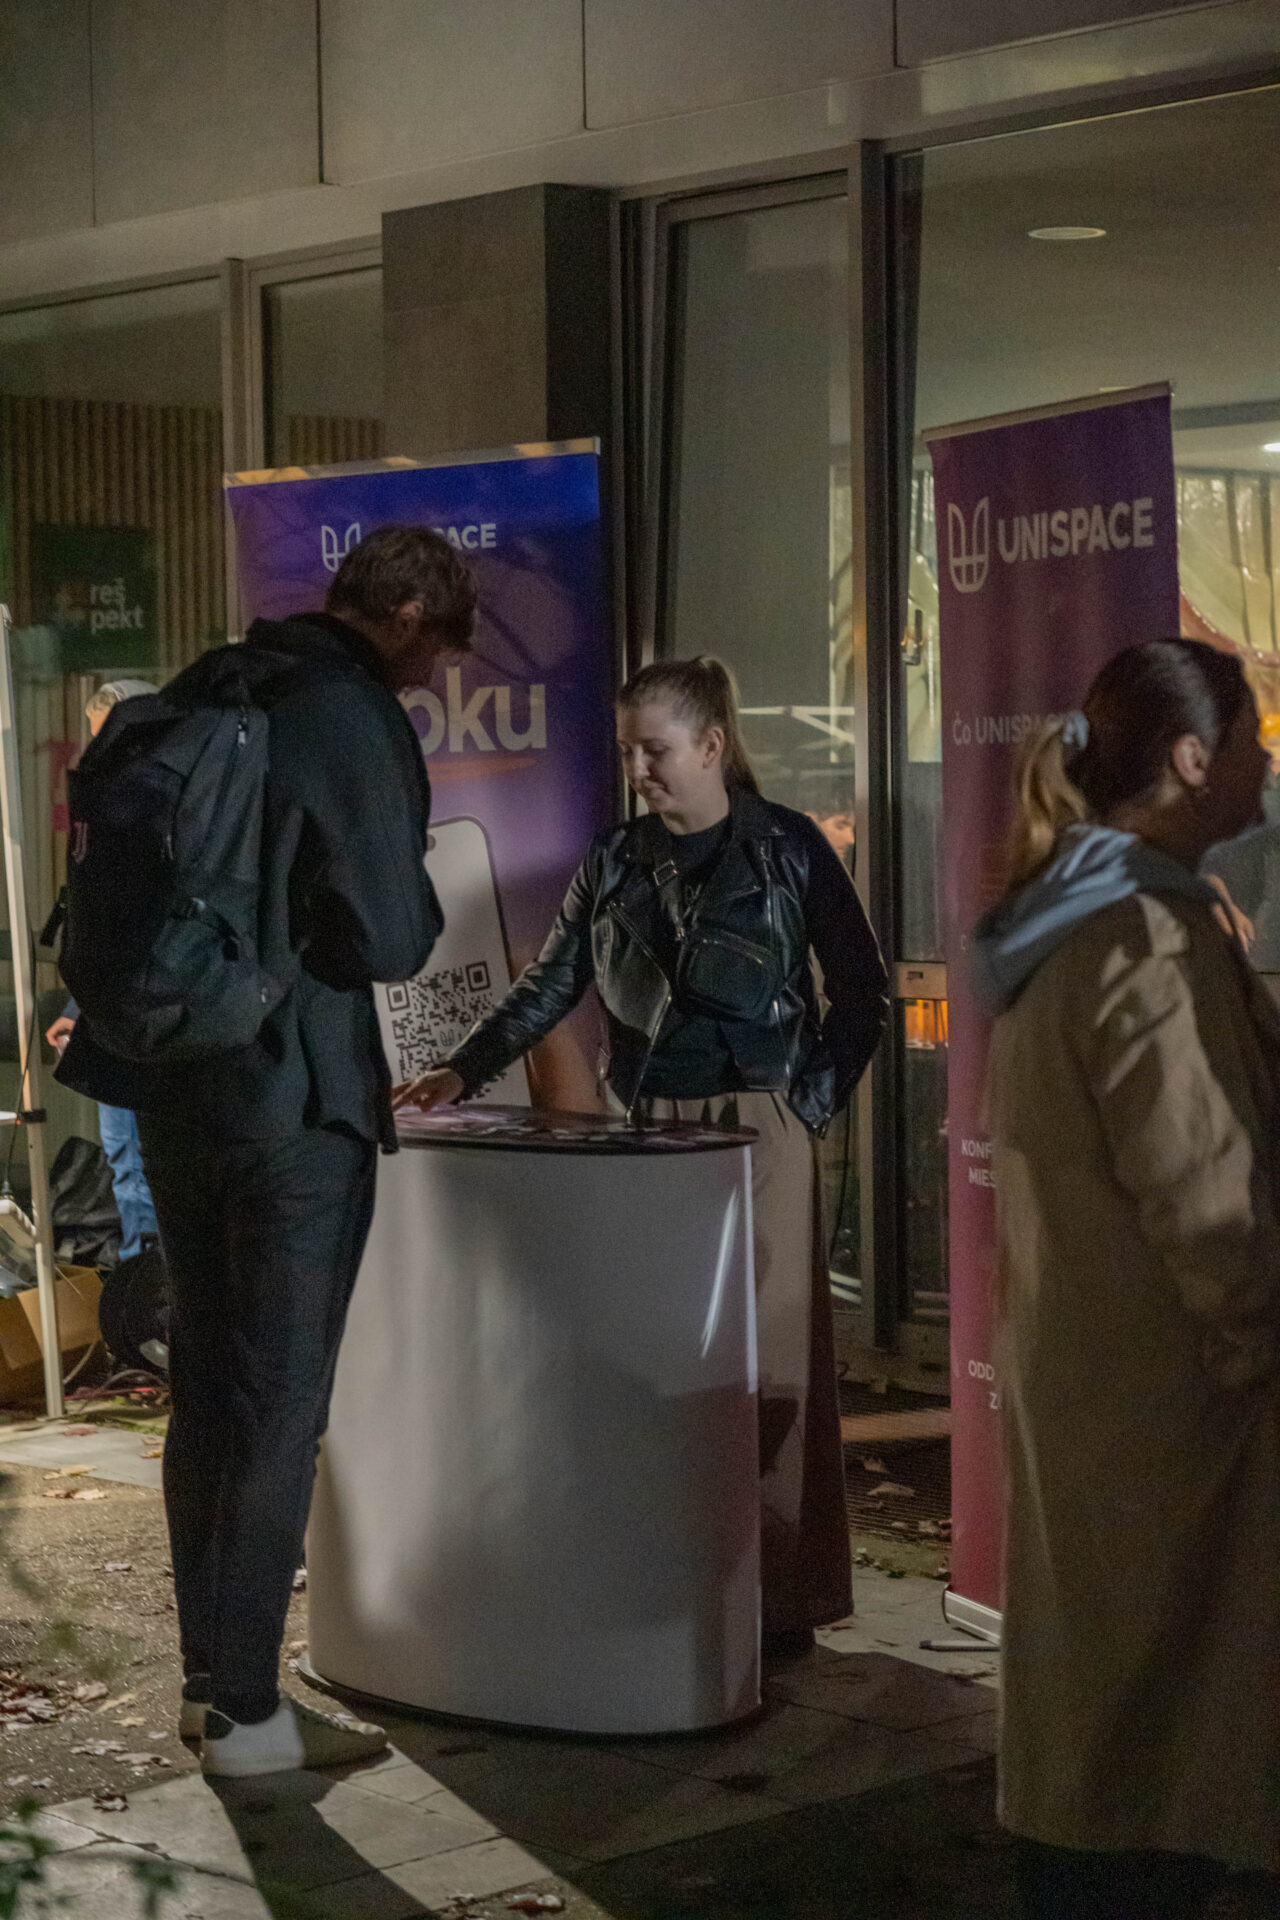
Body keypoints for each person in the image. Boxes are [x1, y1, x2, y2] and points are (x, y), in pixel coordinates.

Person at [57, 525, 475, 1777]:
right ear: (406, 612)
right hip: (293, 1103)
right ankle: (246, 1713)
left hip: (171, 1087)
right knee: (280, 1402)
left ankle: (212, 1686)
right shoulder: (348, 714)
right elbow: (391, 938)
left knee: (210, 1386)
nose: (436, 673)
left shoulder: (208, 684)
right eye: (441, 647)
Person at [397, 655, 889, 1647]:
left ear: (710, 745)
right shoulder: (614, 857)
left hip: (757, 1119)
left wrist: (806, 1101)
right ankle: (668, 1576)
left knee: (772, 1361)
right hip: (646, 1123)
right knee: (656, 1350)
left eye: (654, 750)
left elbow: (861, 989)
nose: (636, 770)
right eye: (628, 751)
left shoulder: (787, 846)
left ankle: (773, 1602)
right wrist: (462, 1068)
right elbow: (551, 983)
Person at [971, 638, 1280, 1917]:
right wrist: (1255, 1345)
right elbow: (1206, 1196)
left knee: (1098, 1709)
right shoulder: (1144, 934)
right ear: (1193, 760)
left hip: (1093, 1375)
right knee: (1154, 1744)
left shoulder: (1066, 913)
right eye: (1254, 740)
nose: (1265, 763)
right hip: (1168, 1405)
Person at [46, 682, 162, 1263]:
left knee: (143, 1161)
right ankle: (143, 1283)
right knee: (125, 1159)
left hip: (155, 1019)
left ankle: (154, 1285)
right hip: (115, 1015)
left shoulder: (169, 806)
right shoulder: (111, 807)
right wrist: (79, 1009)